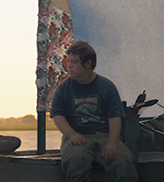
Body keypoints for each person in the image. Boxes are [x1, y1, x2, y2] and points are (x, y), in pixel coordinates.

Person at [50, 41, 138, 182]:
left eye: (74, 62)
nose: (69, 66)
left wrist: (113, 143)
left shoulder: (107, 86)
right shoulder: (63, 88)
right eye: (68, 61)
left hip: (104, 136)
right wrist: (71, 134)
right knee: (75, 162)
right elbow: (58, 116)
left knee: (124, 162)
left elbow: (115, 117)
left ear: (88, 63)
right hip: (78, 138)